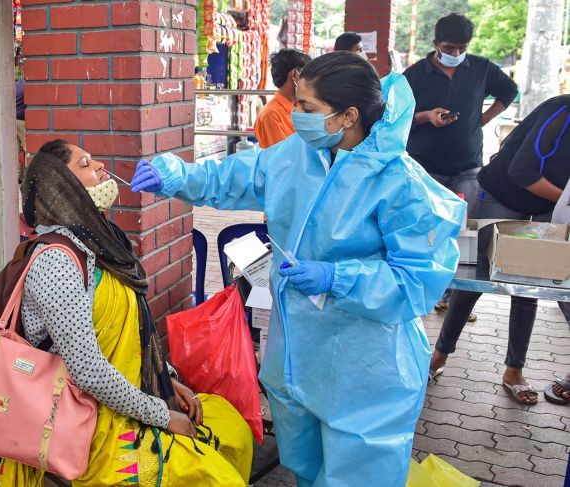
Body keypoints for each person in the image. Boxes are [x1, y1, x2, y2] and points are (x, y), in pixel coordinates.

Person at [130, 51, 464, 486]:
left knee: (358, 474)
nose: (296, 115)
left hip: (367, 364)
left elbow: (418, 280)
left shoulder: (400, 182)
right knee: (305, 465)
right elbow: (232, 178)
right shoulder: (296, 155)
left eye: (307, 108)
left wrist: (337, 278)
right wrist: (175, 176)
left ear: (347, 116)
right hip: (298, 350)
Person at [0, 140, 253, 486]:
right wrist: (163, 416)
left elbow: (132, 335)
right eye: (86, 164)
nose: (101, 166)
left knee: (232, 428)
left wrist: (168, 379)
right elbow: (88, 373)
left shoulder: (97, 245)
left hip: (128, 395)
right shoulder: (57, 262)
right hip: (88, 423)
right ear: (63, 187)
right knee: (214, 478)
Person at [429, 95, 570, 405]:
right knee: (473, 280)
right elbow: (524, 172)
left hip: (550, 206)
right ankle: (439, 355)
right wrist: (566, 199)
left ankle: (514, 371)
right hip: (502, 193)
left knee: (530, 287)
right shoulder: (561, 112)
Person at [403, 12, 518, 315]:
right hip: (424, 166)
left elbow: (509, 91)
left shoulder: (481, 68)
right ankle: (420, 288)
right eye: (449, 47)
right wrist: (426, 117)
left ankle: (451, 294)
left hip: (467, 165)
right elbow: (395, 117)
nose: (455, 54)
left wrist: (482, 119)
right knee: (425, 228)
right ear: (435, 43)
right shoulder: (414, 76)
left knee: (461, 231)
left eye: (461, 48)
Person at [253, 48, 311, 149]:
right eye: (308, 75)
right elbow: (284, 157)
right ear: (294, 75)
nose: (311, 81)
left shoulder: (299, 107)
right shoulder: (271, 114)